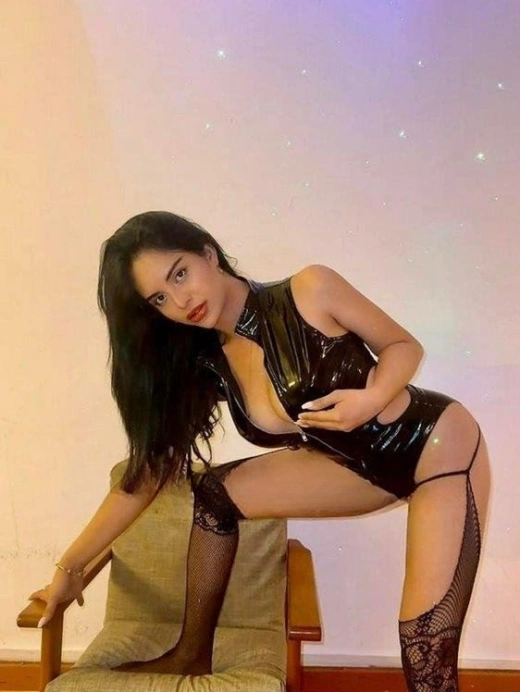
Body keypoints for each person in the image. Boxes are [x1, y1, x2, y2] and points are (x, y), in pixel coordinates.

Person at [29, 211, 490, 691]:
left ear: (208, 254)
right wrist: (71, 567)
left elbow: (403, 345)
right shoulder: (208, 362)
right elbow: (147, 475)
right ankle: (191, 654)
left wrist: (372, 398)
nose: (180, 301)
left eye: (180, 273)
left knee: (424, 649)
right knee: (214, 492)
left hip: (437, 450)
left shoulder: (309, 290)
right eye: (160, 298)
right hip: (354, 468)